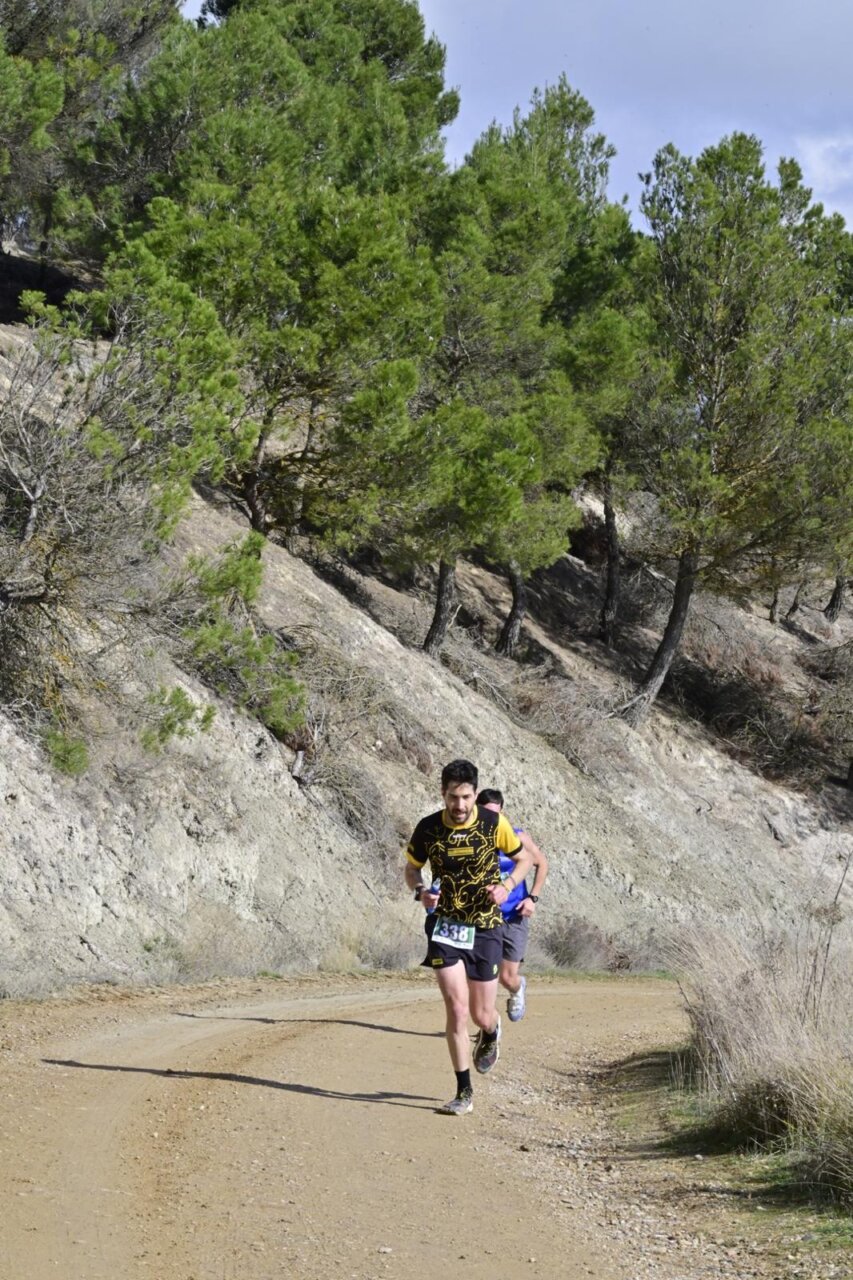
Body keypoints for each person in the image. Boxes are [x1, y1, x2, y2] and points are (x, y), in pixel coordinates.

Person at [404, 759, 532, 1116]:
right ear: (442, 794)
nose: (459, 806)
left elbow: (524, 860)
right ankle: (463, 1092)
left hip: (486, 927)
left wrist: (507, 887)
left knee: (479, 1014)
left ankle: (491, 1031)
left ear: (475, 794)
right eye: (452, 797)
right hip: (445, 926)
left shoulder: (494, 823)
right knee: (456, 1009)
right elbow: (412, 868)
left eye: (465, 797)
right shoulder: (428, 828)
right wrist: (420, 891)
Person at [477, 788, 549, 1024]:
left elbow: (542, 863)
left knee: (507, 977)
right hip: (485, 916)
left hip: (515, 915)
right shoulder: (470, 840)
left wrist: (533, 898)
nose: (491, 820)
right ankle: (488, 1022)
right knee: (484, 972)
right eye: (486, 814)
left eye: (496, 814)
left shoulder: (517, 837)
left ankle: (517, 989)